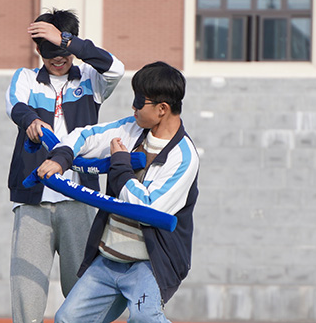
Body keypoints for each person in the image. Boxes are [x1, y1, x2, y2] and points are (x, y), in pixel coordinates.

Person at [37, 61, 200, 323]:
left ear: (162, 109)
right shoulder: (131, 129)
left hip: (150, 265)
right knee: (67, 319)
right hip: (108, 258)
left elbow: (146, 208)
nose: (133, 107)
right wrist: (61, 159)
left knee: (144, 318)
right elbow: (85, 136)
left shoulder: (184, 157)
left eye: (139, 102)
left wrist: (121, 164)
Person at [5, 8, 125, 323]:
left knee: (81, 293)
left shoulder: (91, 79)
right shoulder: (26, 78)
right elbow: (15, 105)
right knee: (26, 292)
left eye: (63, 52)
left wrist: (68, 41)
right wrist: (31, 120)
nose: (58, 59)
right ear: (38, 50)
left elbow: (117, 68)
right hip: (33, 199)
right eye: (50, 53)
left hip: (79, 198)